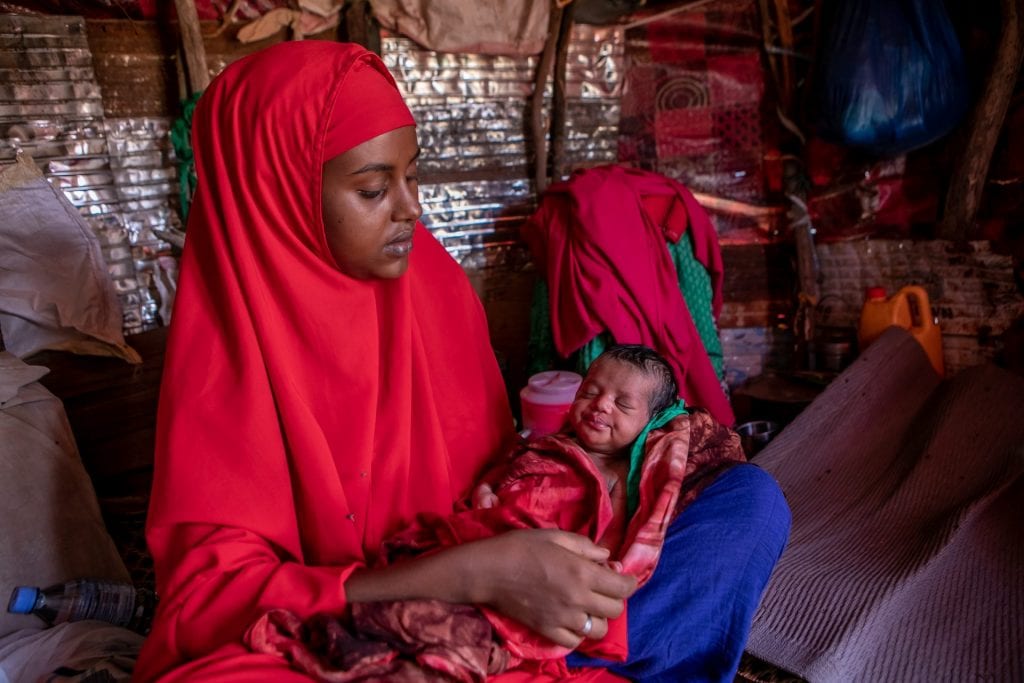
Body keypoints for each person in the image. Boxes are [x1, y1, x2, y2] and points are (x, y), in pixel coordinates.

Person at [136, 40, 790, 683]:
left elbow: (499, 480)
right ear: (276, 194)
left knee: (748, 503)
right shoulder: (226, 360)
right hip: (366, 618)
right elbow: (211, 602)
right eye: (373, 189)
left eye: (413, 175)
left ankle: (551, 657)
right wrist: (469, 575)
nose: (411, 208)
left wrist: (596, 486)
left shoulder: (435, 289)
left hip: (505, 592)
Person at [246, 343, 744, 680]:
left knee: (458, 635)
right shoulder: (547, 445)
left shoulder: (623, 476)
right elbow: (502, 472)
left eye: (622, 404)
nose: (600, 406)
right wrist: (487, 495)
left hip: (541, 575)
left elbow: (616, 539)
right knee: (410, 593)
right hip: (486, 548)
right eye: (591, 391)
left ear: (651, 422)